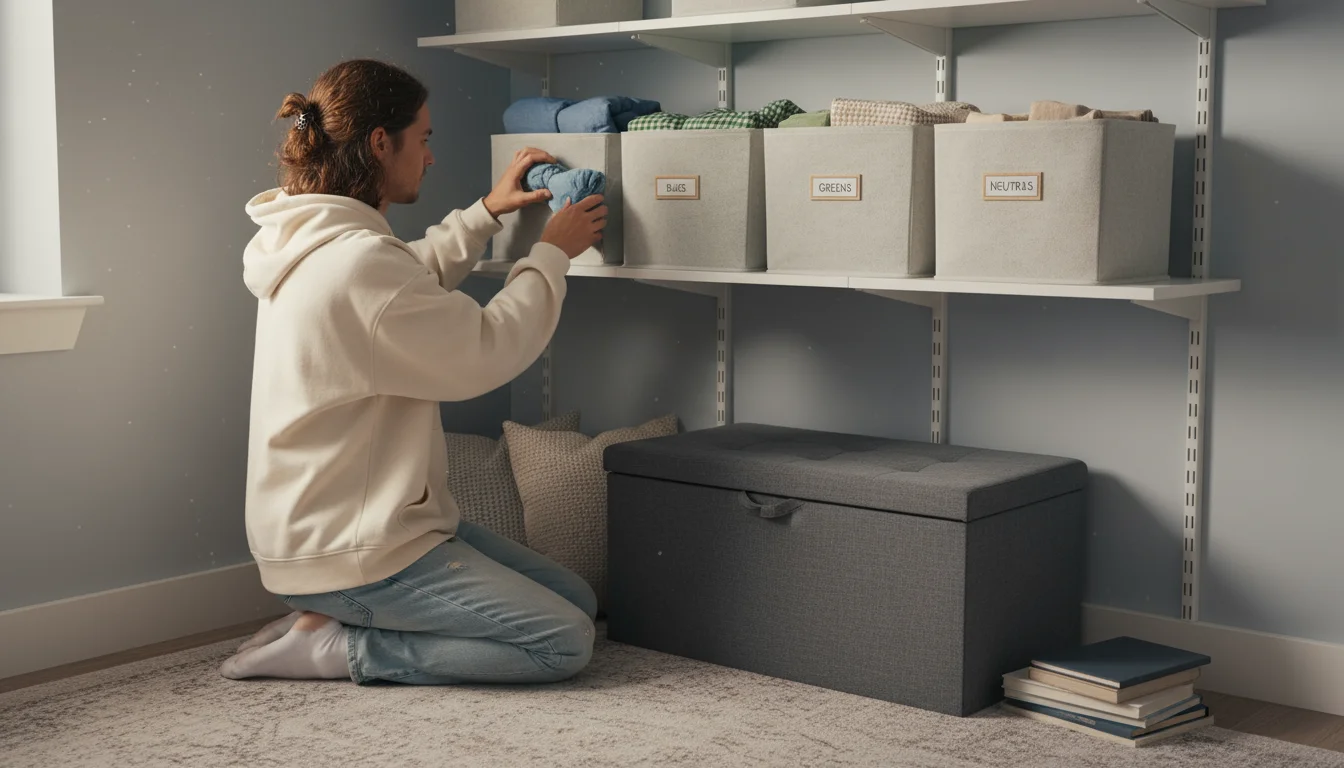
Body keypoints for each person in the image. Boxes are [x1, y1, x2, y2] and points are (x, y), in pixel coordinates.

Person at [219, 59, 606, 685]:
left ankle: (324, 619)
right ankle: (339, 649)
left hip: (332, 529)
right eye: (422, 138)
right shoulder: (358, 264)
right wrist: (551, 254)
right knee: (562, 643)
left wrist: (483, 213)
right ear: (380, 142)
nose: (429, 157)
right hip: (357, 549)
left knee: (578, 601)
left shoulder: (316, 244)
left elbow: (404, 283)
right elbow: (490, 346)